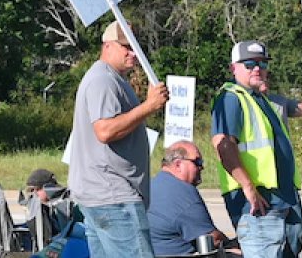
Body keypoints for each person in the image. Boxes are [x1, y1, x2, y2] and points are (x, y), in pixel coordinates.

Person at [211, 40, 302, 257]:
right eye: (250, 63)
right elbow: (223, 146)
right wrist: (248, 187)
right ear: (233, 68)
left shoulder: (266, 100)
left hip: (283, 199)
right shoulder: (230, 99)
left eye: (263, 64)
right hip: (258, 204)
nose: (257, 69)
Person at [68, 21, 169, 258]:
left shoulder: (113, 78)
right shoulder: (103, 80)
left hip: (101, 194)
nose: (132, 53)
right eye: (126, 47)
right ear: (108, 46)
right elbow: (105, 131)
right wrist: (149, 106)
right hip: (113, 194)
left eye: (135, 47)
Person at [148, 140, 240, 256]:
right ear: (178, 164)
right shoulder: (181, 192)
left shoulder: (153, 184)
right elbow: (213, 238)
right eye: (197, 162)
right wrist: (232, 244)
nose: (202, 167)